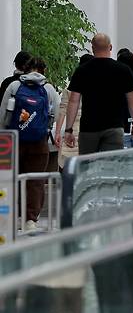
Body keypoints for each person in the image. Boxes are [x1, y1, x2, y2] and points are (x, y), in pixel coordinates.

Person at [0, 57, 59, 231]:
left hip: (13, 140)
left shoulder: (15, 86)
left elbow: (3, 114)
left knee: (14, 178)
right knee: (35, 181)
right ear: (43, 70)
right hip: (39, 142)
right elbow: (54, 114)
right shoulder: (48, 89)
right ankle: (30, 219)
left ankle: (12, 216)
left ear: (26, 69)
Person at [55, 54, 93, 171]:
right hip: (90, 129)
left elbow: (63, 110)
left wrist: (57, 132)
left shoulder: (71, 87)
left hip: (71, 129)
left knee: (69, 165)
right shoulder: (96, 85)